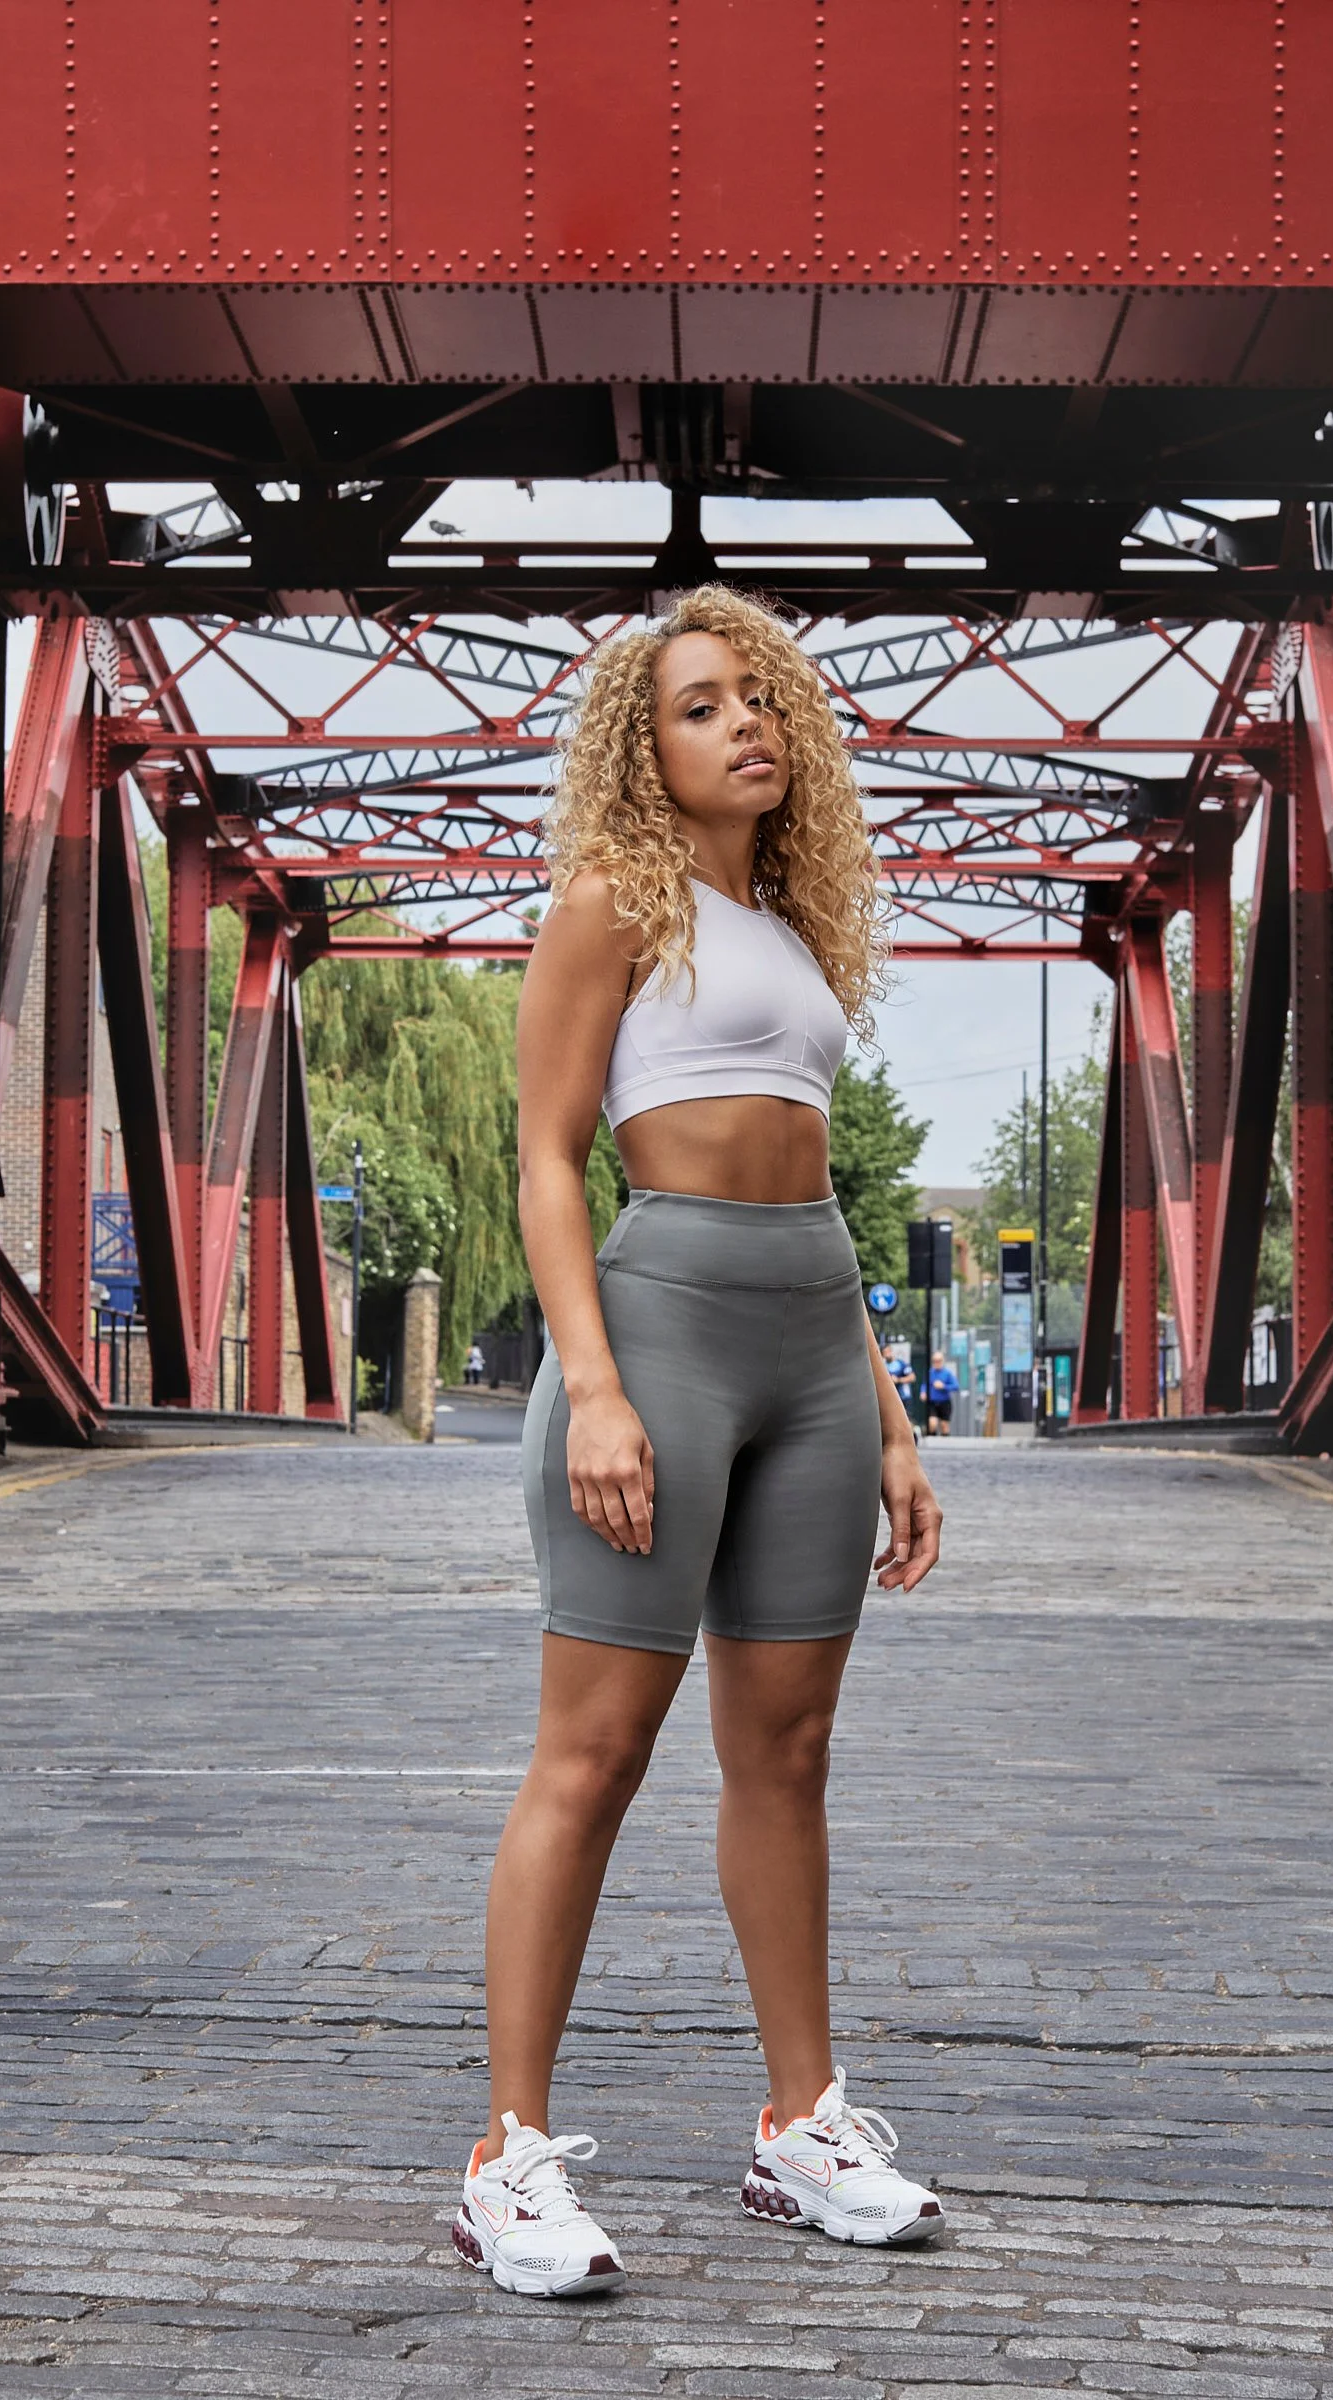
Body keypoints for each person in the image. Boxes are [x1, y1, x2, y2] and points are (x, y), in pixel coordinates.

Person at [454, 587, 945, 2300]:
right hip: (660, 1332)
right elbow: (544, 1158)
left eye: (757, 699)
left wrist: (888, 1419)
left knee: (787, 1752)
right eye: (693, 705)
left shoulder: (798, 936)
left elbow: (819, 1191)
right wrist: (590, 1384)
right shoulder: (608, 904)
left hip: (813, 1345)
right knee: (589, 1755)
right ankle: (505, 2157)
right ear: (638, 750)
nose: (739, 723)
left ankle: (797, 2123)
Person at [926, 1349, 960, 1436]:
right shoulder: (930, 1372)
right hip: (932, 1402)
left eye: (939, 1361)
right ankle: (931, 1442)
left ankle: (944, 1444)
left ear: (942, 1361)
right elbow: (924, 1384)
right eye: (934, 1361)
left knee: (944, 1425)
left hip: (945, 1402)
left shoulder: (947, 1373)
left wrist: (944, 1386)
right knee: (932, 1423)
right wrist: (923, 1392)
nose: (936, 1363)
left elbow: (956, 1386)